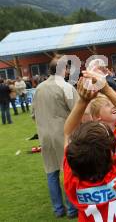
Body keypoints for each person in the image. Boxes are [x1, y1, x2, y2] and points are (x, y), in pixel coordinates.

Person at [63, 73, 116, 222]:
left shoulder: (73, 183)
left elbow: (67, 133)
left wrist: (83, 101)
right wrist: (107, 90)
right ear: (111, 153)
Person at [32, 56, 78, 218]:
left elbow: (33, 114)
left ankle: (59, 209)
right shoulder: (66, 87)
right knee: (68, 171)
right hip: (64, 136)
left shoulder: (39, 88)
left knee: (51, 172)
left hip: (45, 136)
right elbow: (78, 112)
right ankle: (72, 209)